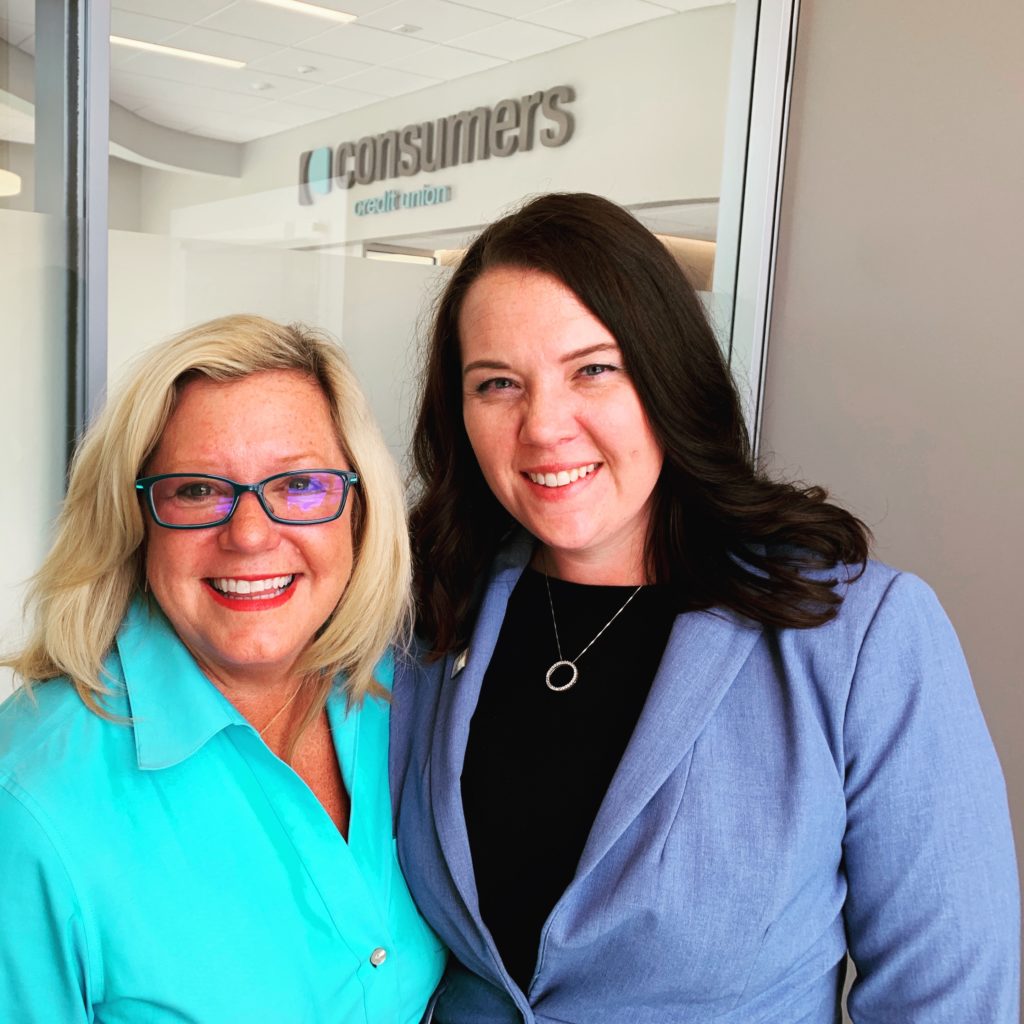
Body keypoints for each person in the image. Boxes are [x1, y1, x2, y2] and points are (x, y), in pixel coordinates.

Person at [390, 193, 1019, 1023]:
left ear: (666, 377)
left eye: (593, 369)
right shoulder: (430, 612)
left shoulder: (860, 634)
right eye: (498, 383)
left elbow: (951, 999)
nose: (543, 427)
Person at [0, 315, 445, 1022]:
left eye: (299, 484)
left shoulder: (407, 705)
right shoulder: (29, 803)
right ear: (134, 517)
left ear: (358, 513)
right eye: (198, 491)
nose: (249, 535)